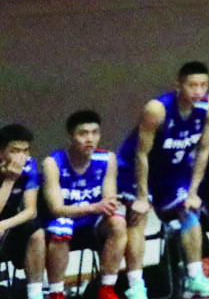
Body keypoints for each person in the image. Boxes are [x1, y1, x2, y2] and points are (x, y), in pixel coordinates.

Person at [118, 61, 209, 299]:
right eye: (192, 85)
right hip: (136, 170)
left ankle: (195, 277)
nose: (198, 91)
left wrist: (193, 192)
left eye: (203, 85)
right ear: (178, 85)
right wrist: (142, 197)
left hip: (173, 171)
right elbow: (141, 154)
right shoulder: (157, 109)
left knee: (189, 211)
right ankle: (136, 286)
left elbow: (204, 150)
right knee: (138, 216)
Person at [41, 110, 124, 299]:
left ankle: (107, 289)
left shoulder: (107, 159)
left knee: (118, 222)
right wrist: (93, 207)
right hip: (66, 220)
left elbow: (109, 201)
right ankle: (56, 292)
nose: (90, 139)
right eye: (83, 133)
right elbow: (56, 209)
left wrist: (108, 206)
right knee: (60, 228)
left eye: (95, 133)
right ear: (71, 137)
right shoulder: (53, 162)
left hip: (93, 222)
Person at [0, 125, 43, 299]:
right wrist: (10, 180)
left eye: (25, 151)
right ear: (1, 152)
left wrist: (4, 224)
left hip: (8, 222)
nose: (21, 157)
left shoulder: (29, 165)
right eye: (15, 151)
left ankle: (35, 294)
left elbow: (31, 211)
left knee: (36, 232)